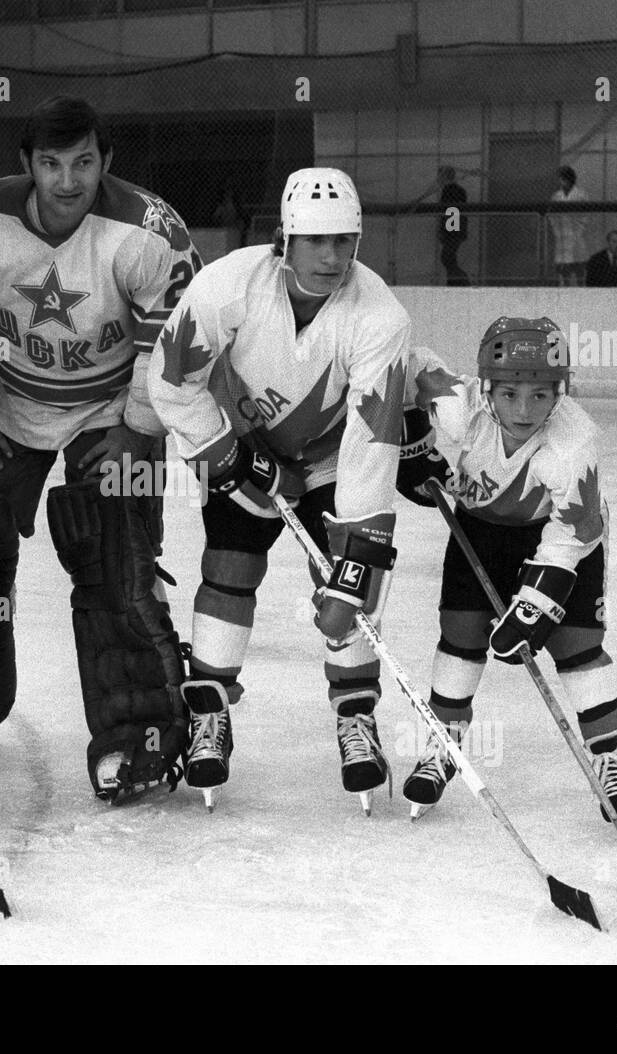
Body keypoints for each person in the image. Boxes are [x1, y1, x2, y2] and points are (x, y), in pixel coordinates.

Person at [0, 94, 202, 801]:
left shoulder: (149, 232)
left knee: (115, 566)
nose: (68, 182)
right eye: (50, 164)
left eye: (84, 163)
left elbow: (177, 344)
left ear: (107, 160)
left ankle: (144, 730)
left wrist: (137, 430)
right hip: (6, 404)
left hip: (115, 413)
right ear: (26, 164)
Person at [147, 167, 435, 814]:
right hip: (242, 446)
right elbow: (171, 383)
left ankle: (355, 716)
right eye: (316, 242)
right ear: (286, 240)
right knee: (230, 565)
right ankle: (209, 711)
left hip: (334, 456)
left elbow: (373, 436)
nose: (332, 257)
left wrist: (359, 554)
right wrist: (230, 460)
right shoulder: (226, 288)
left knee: (344, 591)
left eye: (345, 241)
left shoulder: (380, 316)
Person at [399, 318, 617, 831]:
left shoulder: (574, 441)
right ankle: (444, 743)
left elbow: (571, 535)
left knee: (575, 643)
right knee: (461, 633)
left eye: (541, 394)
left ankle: (611, 756)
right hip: (481, 529)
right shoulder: (458, 405)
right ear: (486, 385)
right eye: (509, 392)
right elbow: (409, 363)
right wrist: (413, 444)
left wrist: (534, 606)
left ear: (563, 390)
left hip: (561, 537)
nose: (524, 410)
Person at [548, 166, 589, 286]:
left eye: (562, 178)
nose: (561, 182)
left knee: (579, 269)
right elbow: (552, 216)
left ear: (569, 179)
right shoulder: (556, 196)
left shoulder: (581, 195)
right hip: (561, 237)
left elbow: (586, 216)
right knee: (564, 272)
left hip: (577, 236)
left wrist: (579, 230)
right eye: (560, 179)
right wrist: (556, 231)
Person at [436, 165, 469, 286]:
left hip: (453, 231)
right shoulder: (458, 190)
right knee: (449, 257)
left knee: (447, 257)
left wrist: (446, 232)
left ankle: (460, 281)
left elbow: (451, 211)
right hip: (456, 230)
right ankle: (454, 281)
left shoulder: (449, 190)